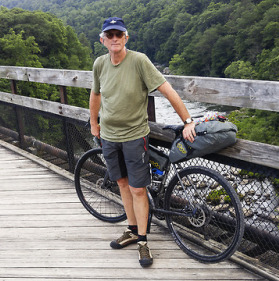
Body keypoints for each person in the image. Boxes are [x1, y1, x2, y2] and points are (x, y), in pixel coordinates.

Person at [89, 17, 196, 267]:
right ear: (102, 40)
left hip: (135, 137)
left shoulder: (139, 61)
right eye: (110, 35)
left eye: (119, 34)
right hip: (109, 137)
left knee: (138, 188)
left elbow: (168, 90)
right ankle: (131, 229)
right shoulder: (100, 64)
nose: (114, 39)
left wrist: (188, 120)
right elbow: (96, 94)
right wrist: (94, 122)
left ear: (126, 38)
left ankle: (143, 242)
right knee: (122, 184)